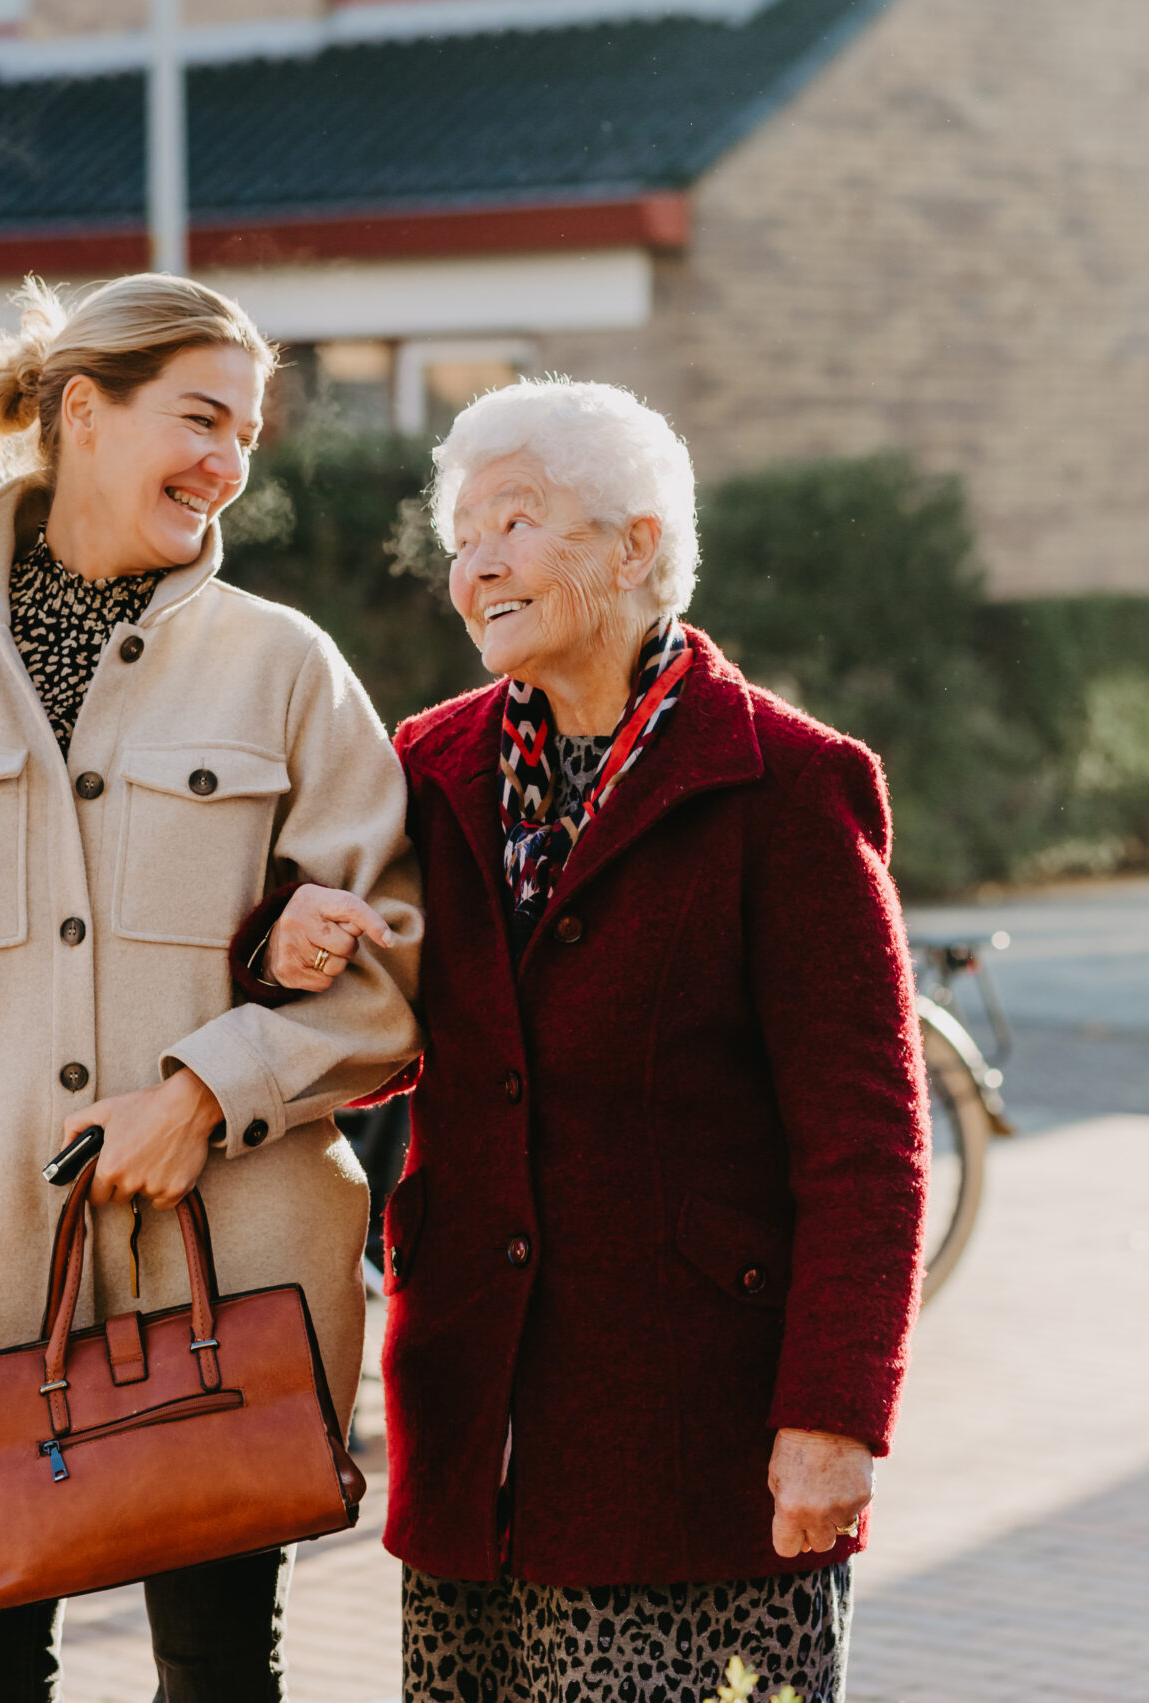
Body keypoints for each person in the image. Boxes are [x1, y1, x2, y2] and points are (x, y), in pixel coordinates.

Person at [0, 274, 422, 1703]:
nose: (227, 461)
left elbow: (393, 963)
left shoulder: (284, 670)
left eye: (244, 433)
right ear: (83, 410)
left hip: (228, 1282)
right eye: (199, 418)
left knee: (218, 1677)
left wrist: (206, 1094)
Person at [246, 379, 927, 1701]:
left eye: (516, 522)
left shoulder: (785, 786)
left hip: (691, 1447)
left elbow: (869, 1145)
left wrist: (834, 1418)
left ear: (634, 546)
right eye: (462, 538)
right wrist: (284, 940)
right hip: (474, 1430)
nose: (478, 565)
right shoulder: (429, 770)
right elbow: (339, 1002)